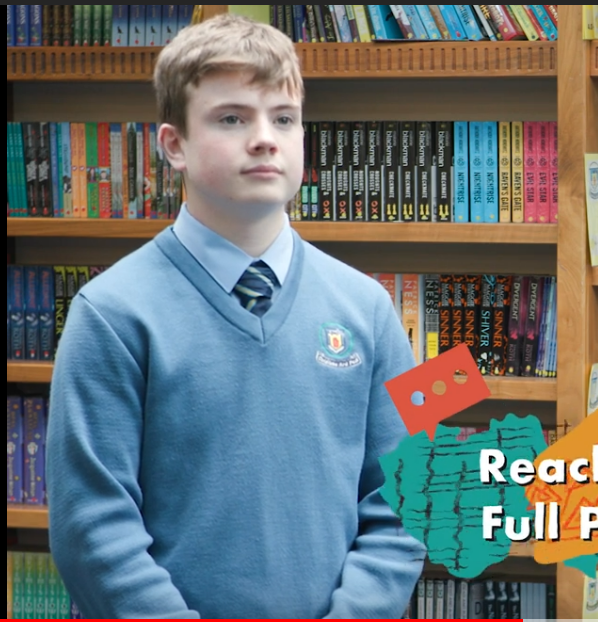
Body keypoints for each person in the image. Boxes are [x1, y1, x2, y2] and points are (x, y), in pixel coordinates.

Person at [45, 14, 425, 618]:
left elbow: (408, 495)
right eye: (231, 118)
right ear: (174, 145)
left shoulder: (370, 308)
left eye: (283, 118)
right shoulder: (111, 314)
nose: (265, 138)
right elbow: (92, 527)